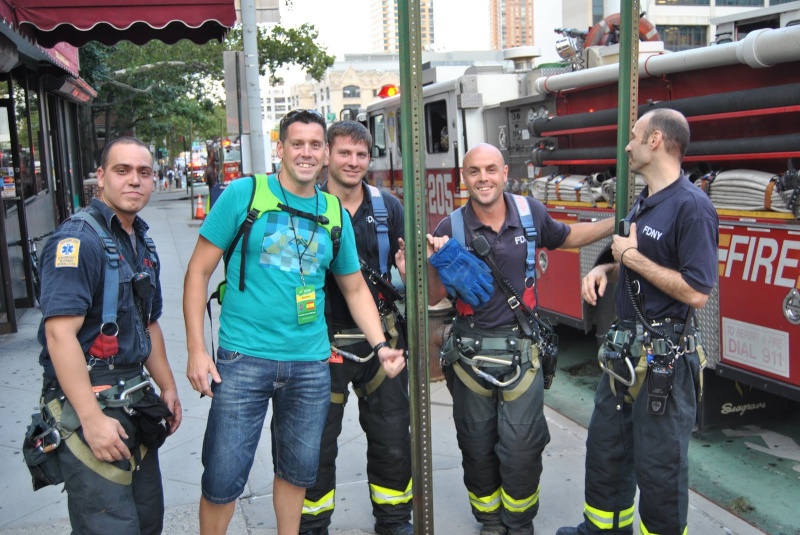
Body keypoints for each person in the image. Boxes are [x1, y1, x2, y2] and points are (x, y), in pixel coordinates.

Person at [184, 109, 406, 535]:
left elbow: (356, 289)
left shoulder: (333, 212)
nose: (306, 152)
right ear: (281, 149)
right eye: (297, 143)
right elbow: (197, 273)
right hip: (243, 360)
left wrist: (380, 346)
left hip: (309, 364)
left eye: (315, 145)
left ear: (325, 154)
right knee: (222, 479)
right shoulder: (244, 195)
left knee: (298, 472)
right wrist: (197, 350)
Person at [425, 143, 615, 535]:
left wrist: (617, 222)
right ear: (464, 177)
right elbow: (431, 297)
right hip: (469, 353)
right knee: (476, 447)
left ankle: (519, 522)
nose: (483, 179)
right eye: (474, 171)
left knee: (522, 448)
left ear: (505, 173)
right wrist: (421, 266)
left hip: (522, 352)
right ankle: (491, 522)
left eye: (491, 170)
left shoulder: (530, 213)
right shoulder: (451, 229)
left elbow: (569, 236)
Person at [556, 109, 718, 535]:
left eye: (633, 136)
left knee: (660, 469)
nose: (627, 146)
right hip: (624, 357)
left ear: (656, 141)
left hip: (664, 365)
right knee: (607, 452)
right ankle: (602, 530)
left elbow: (697, 291)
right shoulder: (645, 201)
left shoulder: (692, 207)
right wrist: (605, 269)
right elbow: (631, 260)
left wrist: (629, 258)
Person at [34, 136, 182, 534]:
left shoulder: (140, 240)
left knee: (147, 520)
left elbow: (147, 321)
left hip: (134, 401)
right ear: (100, 178)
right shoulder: (78, 240)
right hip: (91, 404)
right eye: (122, 170)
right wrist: (91, 419)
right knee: (110, 527)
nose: (134, 180)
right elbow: (60, 335)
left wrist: (167, 386)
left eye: (144, 172)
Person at [299, 121, 412, 535]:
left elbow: (409, 274)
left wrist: (411, 269)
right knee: (316, 441)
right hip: (319, 342)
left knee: (392, 438)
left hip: (380, 339)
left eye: (361, 155)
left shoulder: (388, 209)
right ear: (327, 155)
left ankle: (395, 520)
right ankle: (312, 526)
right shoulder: (304, 206)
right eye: (344, 153)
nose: (353, 162)